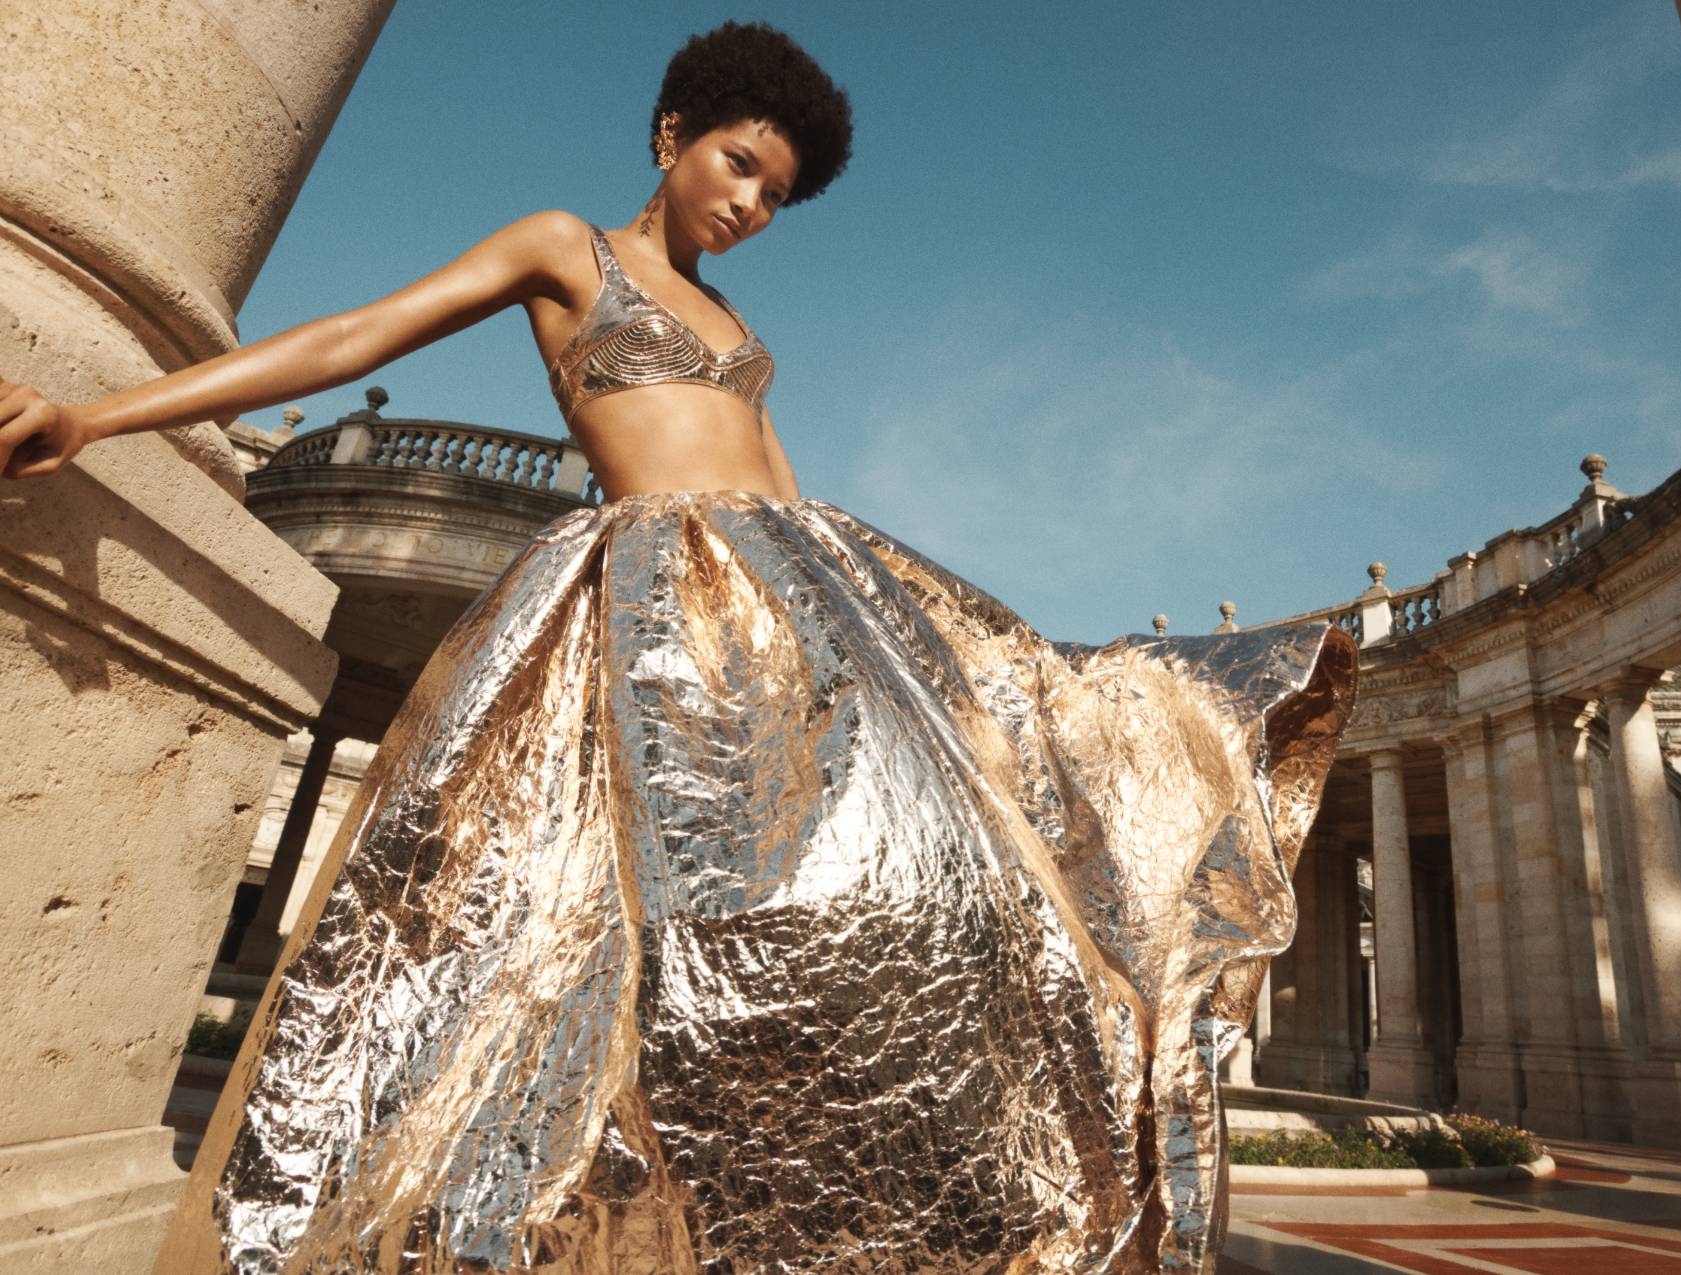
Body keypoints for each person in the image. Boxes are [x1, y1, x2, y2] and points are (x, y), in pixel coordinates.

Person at [1, 21, 1356, 1274]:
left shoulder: (742, 338)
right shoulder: (566, 247)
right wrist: (106, 415)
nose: (750, 206)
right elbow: (360, 332)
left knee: (945, 870)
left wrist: (928, 667)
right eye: (740, 165)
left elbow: (786, 504)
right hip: (626, 595)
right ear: (673, 135)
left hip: (775, 603)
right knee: (554, 934)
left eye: (775, 196)